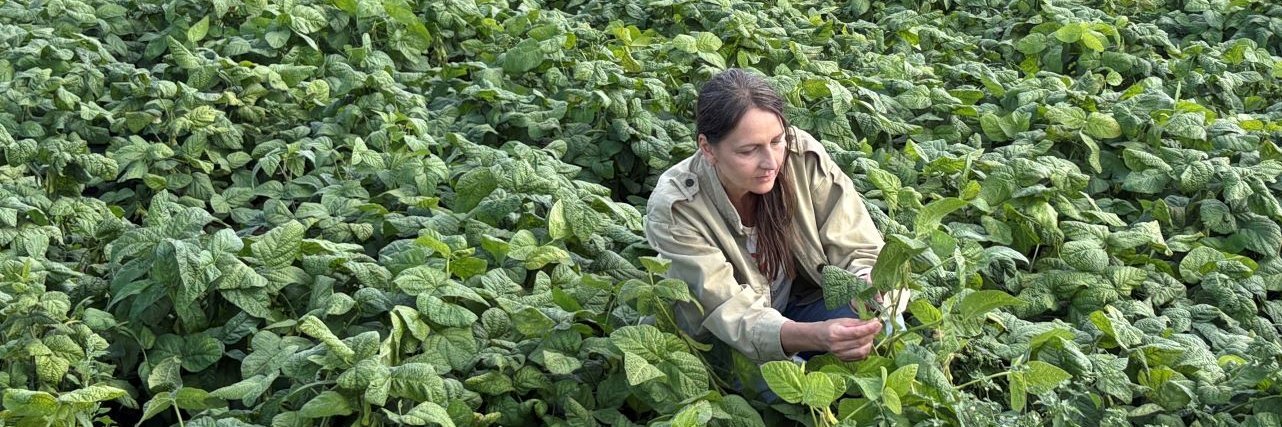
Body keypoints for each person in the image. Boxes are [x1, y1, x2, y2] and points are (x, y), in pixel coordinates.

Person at [644, 68, 898, 369]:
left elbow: (859, 246)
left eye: (776, 141)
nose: (771, 162)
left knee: (874, 333)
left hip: (797, 308)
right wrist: (815, 337)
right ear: (707, 149)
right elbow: (729, 312)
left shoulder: (801, 156)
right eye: (749, 150)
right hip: (723, 343)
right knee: (786, 385)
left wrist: (868, 284)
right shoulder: (677, 206)